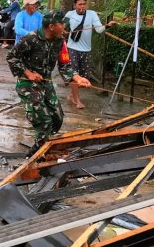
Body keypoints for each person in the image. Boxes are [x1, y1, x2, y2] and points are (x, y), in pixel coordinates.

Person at [7, 10, 92, 155]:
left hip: (46, 83)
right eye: (62, 24)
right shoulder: (30, 39)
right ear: (51, 26)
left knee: (57, 118)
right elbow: (12, 57)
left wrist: (78, 78)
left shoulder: (60, 41)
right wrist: (28, 73)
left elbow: (64, 64)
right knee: (43, 119)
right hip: (27, 84)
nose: (65, 27)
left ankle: (42, 142)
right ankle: (37, 153)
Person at [64, 0, 114, 109]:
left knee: (84, 76)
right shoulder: (69, 15)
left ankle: (72, 94)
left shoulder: (92, 14)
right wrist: (63, 31)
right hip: (72, 48)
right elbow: (62, 26)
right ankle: (77, 100)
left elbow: (99, 29)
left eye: (84, 4)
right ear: (75, 5)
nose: (82, 6)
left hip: (86, 49)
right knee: (74, 74)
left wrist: (108, 25)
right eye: (79, 4)